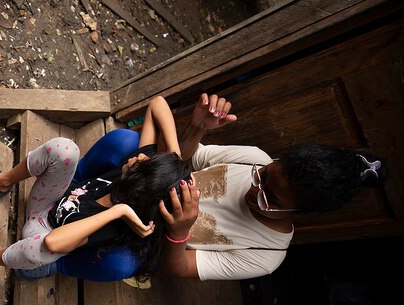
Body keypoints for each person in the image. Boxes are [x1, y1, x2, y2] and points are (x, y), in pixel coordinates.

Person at [52, 93, 388, 281]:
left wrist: (179, 232)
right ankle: (72, 178)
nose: (255, 190)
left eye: (269, 198)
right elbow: (182, 158)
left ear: (300, 213)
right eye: (263, 177)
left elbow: (178, 269)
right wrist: (196, 129)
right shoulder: (252, 158)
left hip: (148, 235)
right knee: (125, 140)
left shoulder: (267, 255)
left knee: (120, 265)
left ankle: (58, 263)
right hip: (140, 188)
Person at [0, 97, 191, 278]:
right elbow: (157, 103)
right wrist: (175, 164)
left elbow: (54, 243)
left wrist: (118, 211)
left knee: (43, 250)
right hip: (50, 199)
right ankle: (2, 182)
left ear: (137, 190)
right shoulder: (135, 170)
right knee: (65, 149)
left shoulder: (113, 225)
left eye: (141, 165)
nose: (137, 157)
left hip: (41, 231)